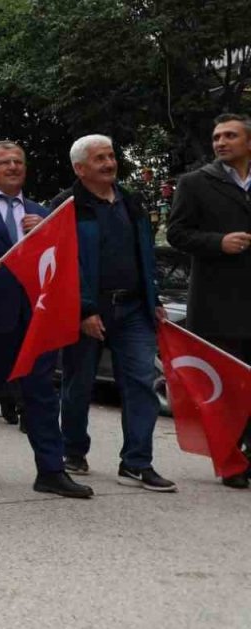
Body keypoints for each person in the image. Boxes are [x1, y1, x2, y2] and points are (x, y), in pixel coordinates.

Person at [0, 141, 94, 498]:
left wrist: (44, 231)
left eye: (18, 162)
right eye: (4, 162)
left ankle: (51, 470)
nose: (13, 167)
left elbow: (59, 259)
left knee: (41, 396)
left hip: (33, 322)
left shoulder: (41, 212)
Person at [52, 135, 176, 492]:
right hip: (89, 311)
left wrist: (153, 298)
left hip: (135, 308)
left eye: (111, 156)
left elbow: (145, 254)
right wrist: (84, 310)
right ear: (80, 168)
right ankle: (73, 451)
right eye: (99, 159)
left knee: (140, 383)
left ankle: (137, 463)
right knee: (78, 385)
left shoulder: (131, 201)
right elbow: (64, 265)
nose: (109, 163)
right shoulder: (66, 206)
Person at [166, 113, 251, 489]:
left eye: (230, 135)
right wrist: (218, 242)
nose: (221, 142)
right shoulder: (196, 183)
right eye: (217, 136)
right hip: (220, 305)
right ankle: (233, 461)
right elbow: (177, 233)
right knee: (229, 389)